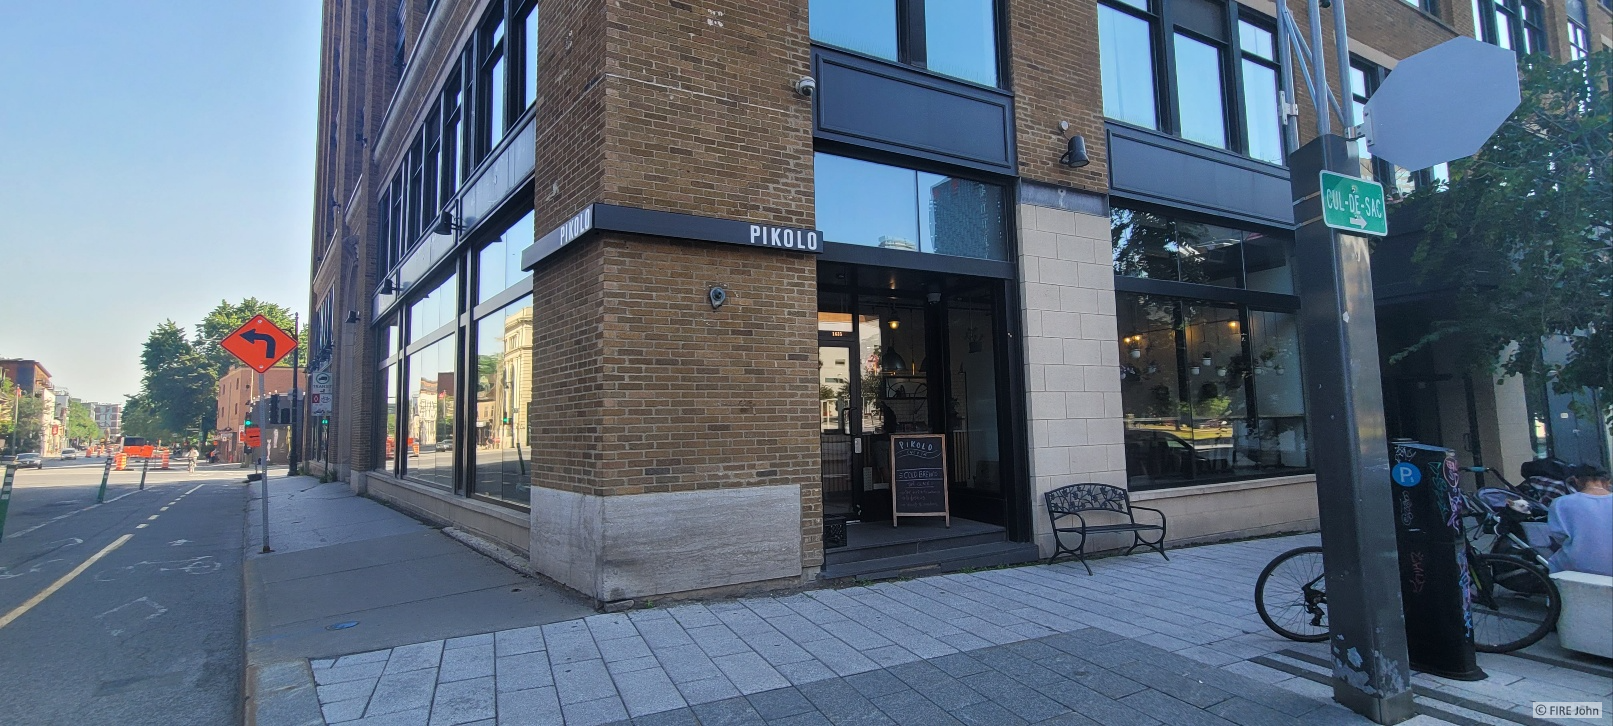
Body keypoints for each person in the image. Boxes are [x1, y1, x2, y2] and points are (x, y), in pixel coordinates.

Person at [1546, 464, 1613, 577]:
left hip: (1577, 569)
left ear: (1576, 481)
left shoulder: (1560, 503)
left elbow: (1559, 537)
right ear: (1608, 481)